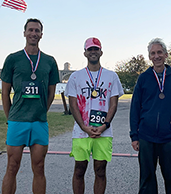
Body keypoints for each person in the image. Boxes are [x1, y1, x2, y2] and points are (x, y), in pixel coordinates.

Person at [129, 38, 171, 194]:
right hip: (146, 137)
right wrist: (134, 136)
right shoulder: (144, 78)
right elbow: (135, 109)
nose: (156, 56)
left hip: (169, 137)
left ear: (166, 55)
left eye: (159, 52)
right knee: (147, 181)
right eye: (153, 53)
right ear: (149, 57)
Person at [1, 18, 60, 194]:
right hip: (17, 120)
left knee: (39, 167)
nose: (34, 33)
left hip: (39, 122)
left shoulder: (49, 61)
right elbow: (5, 92)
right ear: (24, 33)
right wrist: (10, 117)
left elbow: (51, 94)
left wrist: (42, 110)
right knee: (12, 166)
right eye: (31, 30)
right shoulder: (13, 59)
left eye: (37, 31)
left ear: (41, 35)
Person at [65, 37, 124, 194]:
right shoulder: (75, 77)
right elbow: (73, 104)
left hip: (103, 132)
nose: (93, 52)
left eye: (95, 49)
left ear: (101, 52)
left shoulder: (112, 76)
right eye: (90, 49)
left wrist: (104, 125)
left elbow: (113, 104)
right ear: (85, 53)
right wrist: (84, 127)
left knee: (100, 170)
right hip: (81, 131)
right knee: (79, 170)